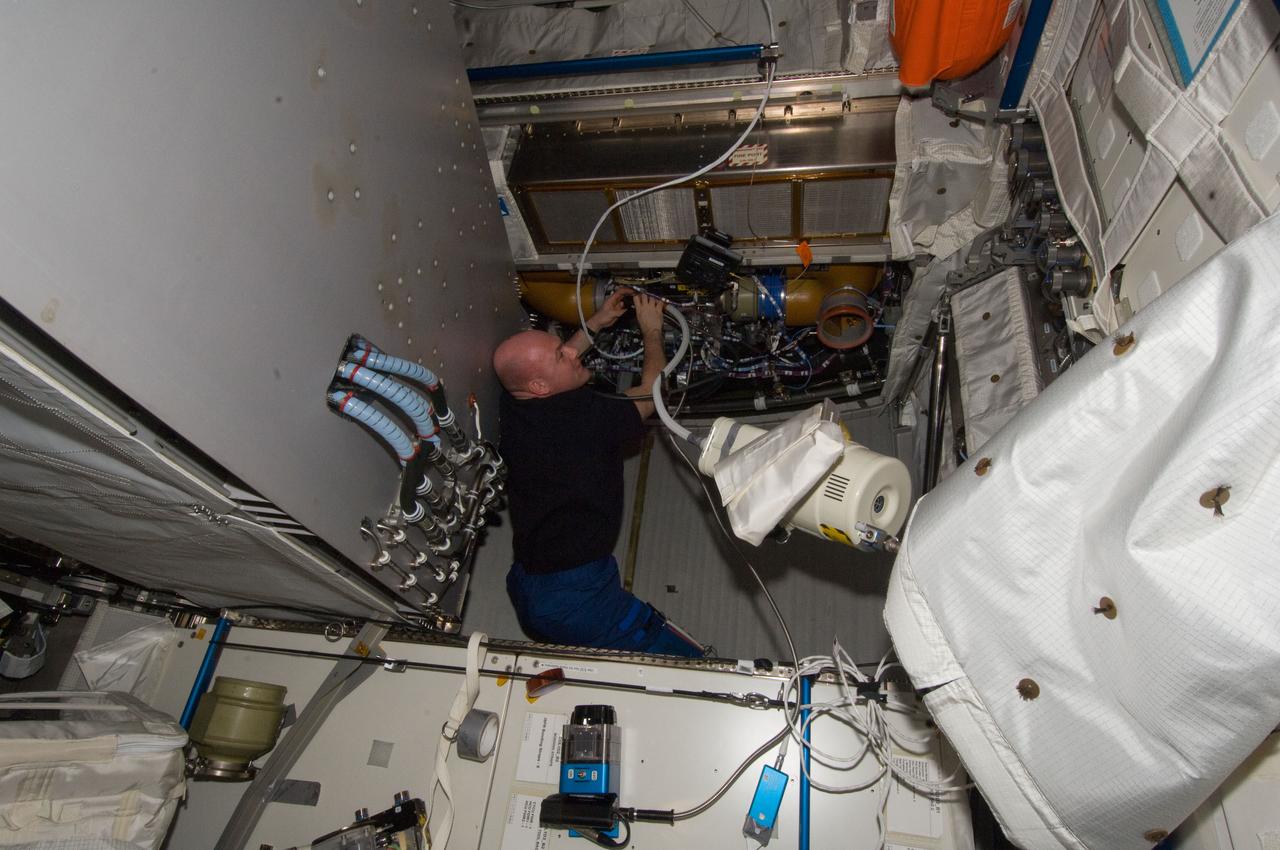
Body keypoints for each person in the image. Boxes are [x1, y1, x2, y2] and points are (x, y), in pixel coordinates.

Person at [493, 289, 705, 656]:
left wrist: (597, 322)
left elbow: (548, 368)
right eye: (562, 355)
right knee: (680, 657)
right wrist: (651, 332)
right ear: (539, 387)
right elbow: (653, 391)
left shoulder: (514, 402)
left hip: (530, 585)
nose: (572, 353)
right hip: (575, 598)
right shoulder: (585, 422)